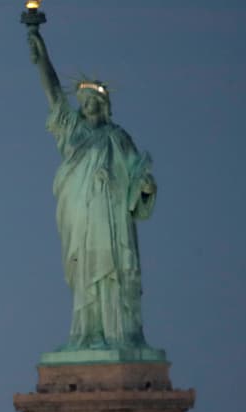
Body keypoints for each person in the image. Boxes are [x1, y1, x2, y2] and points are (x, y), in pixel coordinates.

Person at [28, 28, 158, 351]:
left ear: (104, 105)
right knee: (86, 273)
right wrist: (42, 56)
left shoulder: (118, 137)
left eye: (92, 102)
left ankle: (118, 334)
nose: (86, 106)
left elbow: (138, 177)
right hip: (82, 216)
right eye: (83, 102)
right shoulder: (71, 131)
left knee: (112, 272)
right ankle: (88, 334)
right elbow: (55, 95)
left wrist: (145, 187)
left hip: (111, 219)